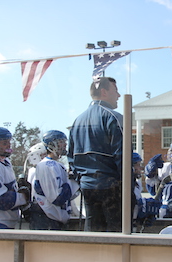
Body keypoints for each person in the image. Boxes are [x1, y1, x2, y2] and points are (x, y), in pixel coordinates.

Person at [68, 77, 124, 232]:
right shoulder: (114, 117)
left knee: (92, 233)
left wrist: (83, 180)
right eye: (116, 90)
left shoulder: (77, 120)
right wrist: (127, 187)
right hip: (112, 187)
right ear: (104, 92)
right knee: (118, 236)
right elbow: (122, 157)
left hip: (87, 187)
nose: (119, 95)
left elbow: (71, 158)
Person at [30, 130, 73, 230]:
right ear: (52, 144)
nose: (65, 144)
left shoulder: (57, 164)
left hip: (54, 217)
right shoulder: (47, 165)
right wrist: (69, 184)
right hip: (46, 219)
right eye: (61, 141)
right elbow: (57, 198)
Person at [131, 152, 160, 232]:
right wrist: (143, 206)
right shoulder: (123, 183)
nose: (140, 167)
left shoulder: (136, 183)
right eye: (138, 164)